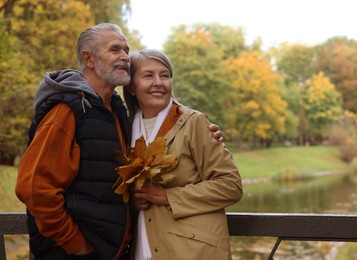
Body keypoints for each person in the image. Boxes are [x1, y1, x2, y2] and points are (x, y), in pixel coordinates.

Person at [15, 23, 224, 260]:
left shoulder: (117, 109)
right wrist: (76, 244)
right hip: (72, 252)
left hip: (113, 250)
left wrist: (205, 133)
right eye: (115, 50)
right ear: (89, 59)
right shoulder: (67, 109)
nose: (125, 57)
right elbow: (34, 188)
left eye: (126, 49)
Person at [123, 49, 243, 260]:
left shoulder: (194, 122)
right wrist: (133, 203)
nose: (159, 82)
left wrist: (168, 196)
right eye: (148, 75)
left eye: (165, 75)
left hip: (193, 252)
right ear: (132, 86)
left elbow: (230, 185)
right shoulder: (124, 129)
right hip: (143, 248)